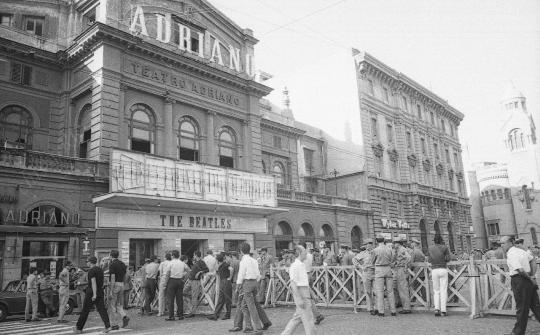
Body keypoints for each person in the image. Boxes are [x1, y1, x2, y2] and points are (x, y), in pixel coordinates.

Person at [500, 235, 540, 335]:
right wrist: (532, 274)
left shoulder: (511, 253)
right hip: (527, 280)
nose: (501, 246)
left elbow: (520, 270)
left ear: (510, 243)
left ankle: (518, 332)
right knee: (536, 306)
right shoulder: (521, 251)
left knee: (522, 307)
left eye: (503, 243)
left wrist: (530, 277)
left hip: (520, 280)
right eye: (500, 243)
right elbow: (533, 260)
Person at [236, 242, 271, 334]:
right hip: (255, 282)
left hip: (246, 283)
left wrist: (238, 284)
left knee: (251, 306)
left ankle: (258, 328)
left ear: (241, 251)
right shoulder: (254, 260)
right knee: (255, 303)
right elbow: (258, 274)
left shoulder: (243, 261)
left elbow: (241, 274)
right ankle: (266, 321)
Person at [281, 245, 316, 335]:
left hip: (305, 291)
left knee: (297, 318)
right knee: (308, 319)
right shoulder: (295, 266)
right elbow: (293, 284)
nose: (306, 254)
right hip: (301, 293)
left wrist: (312, 293)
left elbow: (305, 283)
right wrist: (299, 298)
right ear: (300, 253)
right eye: (305, 252)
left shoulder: (302, 265)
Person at [75, 256, 112, 334]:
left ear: (91, 262)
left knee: (85, 310)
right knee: (102, 310)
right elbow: (101, 282)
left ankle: (79, 328)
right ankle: (108, 326)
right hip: (99, 291)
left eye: (87, 262)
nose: (86, 263)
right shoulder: (100, 270)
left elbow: (93, 282)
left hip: (91, 292)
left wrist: (94, 294)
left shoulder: (91, 271)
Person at [298, 241, 324, 325]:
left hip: (303, 276)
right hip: (309, 274)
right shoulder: (309, 255)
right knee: (307, 297)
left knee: (304, 297)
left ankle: (316, 315)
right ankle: (304, 316)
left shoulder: (301, 256)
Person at [371, 234, 396, 317]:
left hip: (379, 269)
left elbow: (372, 261)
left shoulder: (375, 250)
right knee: (390, 291)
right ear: (384, 240)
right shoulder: (389, 249)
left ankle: (381, 311)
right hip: (388, 269)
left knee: (380, 291)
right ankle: (393, 310)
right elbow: (392, 260)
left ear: (376, 241)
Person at [427, 235, 451, 316]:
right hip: (443, 269)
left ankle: (436, 309)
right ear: (441, 240)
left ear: (434, 241)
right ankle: (443, 310)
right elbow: (448, 259)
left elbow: (429, 260)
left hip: (434, 270)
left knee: (436, 290)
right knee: (443, 290)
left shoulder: (430, 248)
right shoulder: (445, 247)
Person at [108, 250, 129, 329]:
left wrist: (111, 290)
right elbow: (124, 275)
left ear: (111, 256)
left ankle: (113, 324)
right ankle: (124, 316)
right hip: (121, 284)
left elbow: (113, 277)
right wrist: (123, 284)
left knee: (112, 305)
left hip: (115, 284)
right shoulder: (122, 264)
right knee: (118, 303)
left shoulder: (112, 264)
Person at [208, 254, 233, 320]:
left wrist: (230, 277)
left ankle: (227, 315)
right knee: (220, 299)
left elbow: (231, 269)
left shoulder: (225, 264)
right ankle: (216, 315)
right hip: (222, 282)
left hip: (225, 282)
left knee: (227, 299)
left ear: (217, 260)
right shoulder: (220, 266)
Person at [185, 250, 209, 317]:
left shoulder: (201, 262)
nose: (193, 256)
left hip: (195, 281)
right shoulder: (196, 262)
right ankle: (197, 297)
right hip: (190, 280)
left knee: (194, 297)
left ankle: (193, 312)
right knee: (183, 292)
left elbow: (207, 269)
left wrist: (200, 272)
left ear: (196, 255)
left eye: (194, 255)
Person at [165, 249, 187, 321]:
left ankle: (171, 316)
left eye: (171, 255)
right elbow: (189, 271)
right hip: (180, 280)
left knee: (170, 299)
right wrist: (184, 279)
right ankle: (180, 315)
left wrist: (165, 283)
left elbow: (167, 274)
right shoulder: (182, 263)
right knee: (179, 298)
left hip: (172, 280)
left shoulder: (170, 263)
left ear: (173, 255)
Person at [393, 237, 412, 314]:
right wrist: (396, 263)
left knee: (403, 288)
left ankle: (407, 308)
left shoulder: (402, 249)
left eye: (395, 243)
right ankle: (405, 307)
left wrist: (405, 266)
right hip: (399, 269)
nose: (394, 244)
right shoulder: (400, 250)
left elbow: (409, 258)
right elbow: (402, 259)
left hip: (401, 270)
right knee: (401, 288)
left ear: (398, 243)